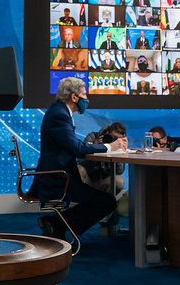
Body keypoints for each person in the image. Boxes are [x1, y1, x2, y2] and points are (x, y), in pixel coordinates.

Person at [31, 77, 126, 240]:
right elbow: (76, 148)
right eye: (84, 95)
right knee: (107, 202)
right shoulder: (59, 115)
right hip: (56, 179)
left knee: (102, 200)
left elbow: (72, 143)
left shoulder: (59, 111)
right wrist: (110, 147)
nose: (87, 99)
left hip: (61, 176)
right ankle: (55, 223)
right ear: (74, 97)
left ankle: (56, 224)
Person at [78, 122, 126, 194]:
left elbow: (119, 171)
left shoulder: (119, 146)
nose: (115, 142)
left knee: (118, 181)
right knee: (79, 169)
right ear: (107, 133)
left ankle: (107, 202)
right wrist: (97, 147)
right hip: (90, 177)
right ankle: (84, 201)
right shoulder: (93, 137)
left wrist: (120, 152)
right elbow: (81, 161)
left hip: (105, 179)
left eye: (118, 140)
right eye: (114, 138)